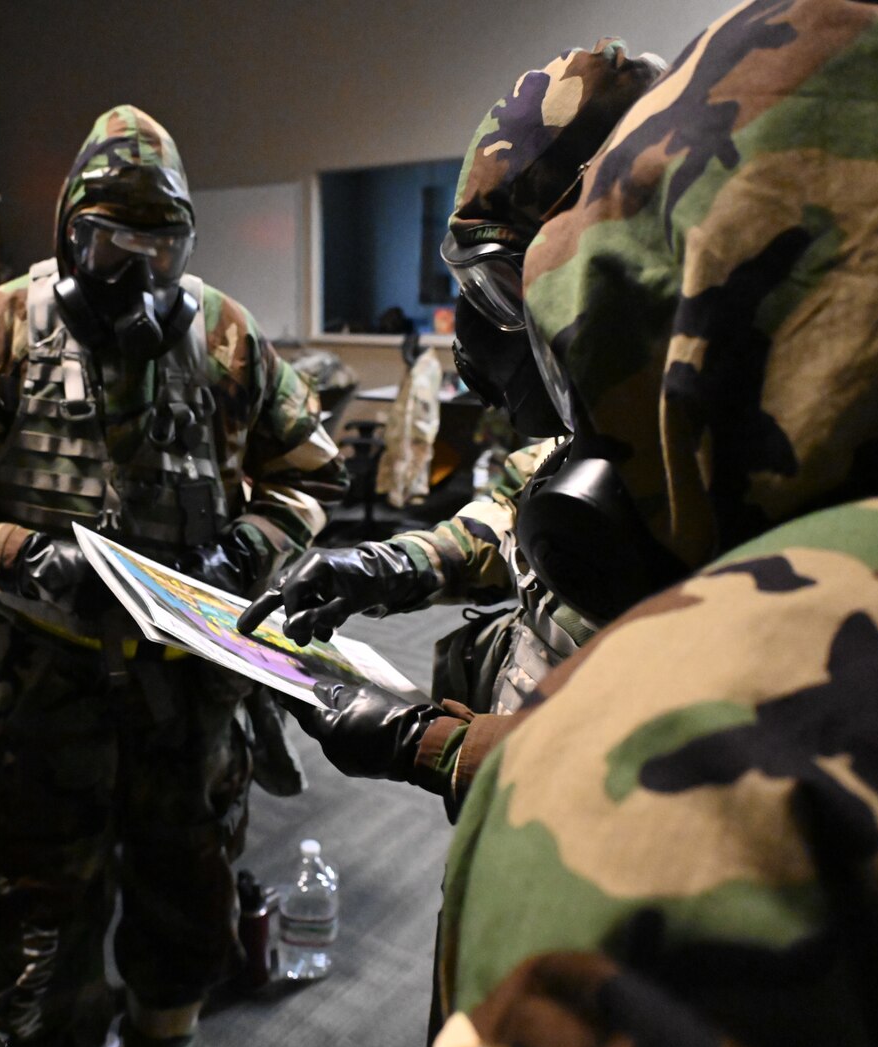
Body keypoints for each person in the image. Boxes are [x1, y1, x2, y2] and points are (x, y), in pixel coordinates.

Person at [429, 1, 878, 1047]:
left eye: (531, 288)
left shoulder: (715, 709)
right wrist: (391, 563)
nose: (502, 344)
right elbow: (514, 505)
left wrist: (441, 746)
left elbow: (627, 785)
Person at [0, 105, 347, 1047]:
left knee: (187, 906)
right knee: (37, 921)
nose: (135, 272)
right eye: (109, 244)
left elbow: (311, 477)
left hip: (186, 695)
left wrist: (241, 552)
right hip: (44, 686)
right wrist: (17, 556)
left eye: (161, 247)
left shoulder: (226, 336)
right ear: (68, 235)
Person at [238, 40, 664, 815]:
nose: (474, 342)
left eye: (505, 288)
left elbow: (702, 776)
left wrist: (435, 746)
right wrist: (381, 566)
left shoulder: (732, 485)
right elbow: (508, 521)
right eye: (471, 287)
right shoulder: (598, 442)